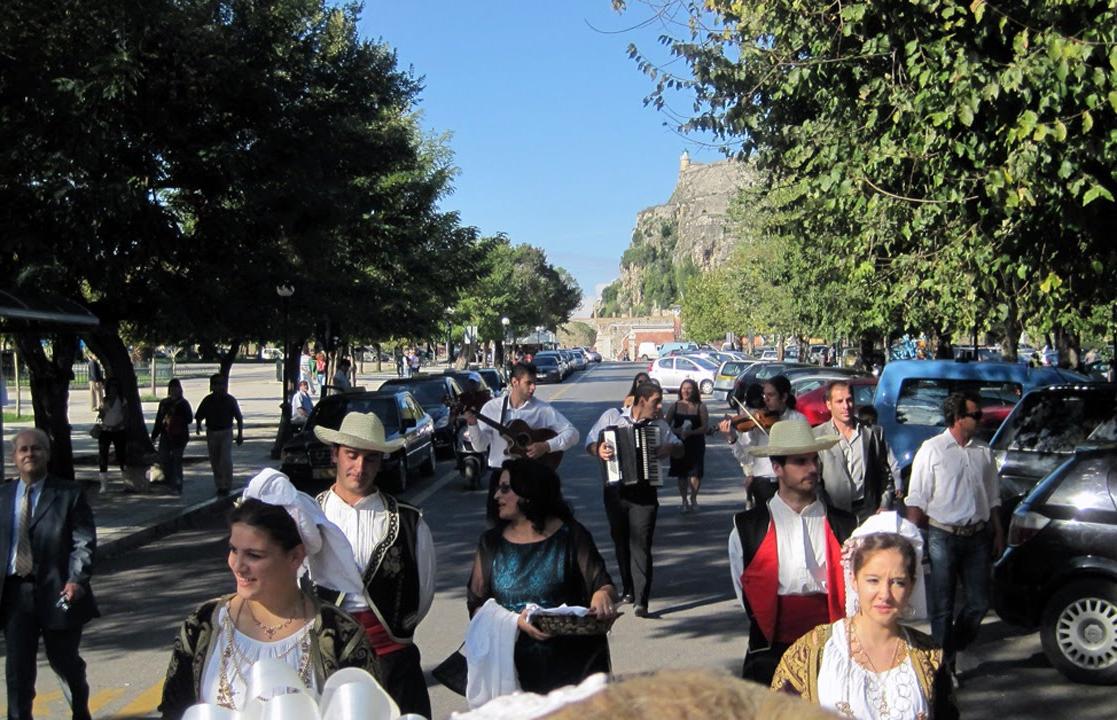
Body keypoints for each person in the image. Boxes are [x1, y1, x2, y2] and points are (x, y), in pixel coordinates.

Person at [158, 471, 381, 717]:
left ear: (295, 556)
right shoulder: (202, 625)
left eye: (254, 555)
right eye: (234, 550)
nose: (238, 565)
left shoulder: (339, 634)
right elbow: (174, 711)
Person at [310, 412, 436, 717]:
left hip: (392, 660)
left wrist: (393, 628)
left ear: (381, 462)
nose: (360, 467)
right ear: (335, 454)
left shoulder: (408, 520)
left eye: (371, 459)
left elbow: (424, 592)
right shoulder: (309, 516)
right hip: (327, 661)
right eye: (352, 456)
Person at [771, 515, 958, 719]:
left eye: (898, 582)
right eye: (873, 580)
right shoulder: (812, 652)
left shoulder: (928, 656)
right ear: (854, 579)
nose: (885, 594)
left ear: (912, 585)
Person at [465, 457, 617, 697]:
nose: (496, 496)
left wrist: (602, 596)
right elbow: (476, 606)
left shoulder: (571, 535)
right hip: (512, 671)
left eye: (505, 488)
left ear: (529, 491)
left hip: (572, 669)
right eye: (497, 488)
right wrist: (514, 622)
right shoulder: (490, 543)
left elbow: (602, 584)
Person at [728, 419, 856, 685]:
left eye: (814, 460)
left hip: (833, 648)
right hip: (771, 650)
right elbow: (745, 595)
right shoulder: (748, 528)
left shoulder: (845, 524)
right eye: (800, 461)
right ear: (777, 468)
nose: (812, 468)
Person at [905, 390, 1004, 684]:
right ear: (958, 419)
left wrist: (998, 531)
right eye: (975, 415)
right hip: (942, 536)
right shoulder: (932, 450)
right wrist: (912, 543)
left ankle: (953, 643)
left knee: (979, 602)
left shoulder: (983, 452)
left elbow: (993, 496)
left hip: (977, 537)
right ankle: (944, 664)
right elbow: (917, 498)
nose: (980, 419)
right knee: (942, 605)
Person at [1, 429, 98, 720]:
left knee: (64, 662)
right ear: (14, 458)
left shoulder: (68, 494)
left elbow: (84, 542)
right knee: (17, 670)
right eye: (23, 450)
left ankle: (80, 711)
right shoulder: (3, 496)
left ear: (47, 454)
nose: (30, 454)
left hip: (59, 592)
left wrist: (76, 579)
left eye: (37, 449)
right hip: (15, 596)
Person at [586, 382, 682, 618]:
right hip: (616, 491)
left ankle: (642, 600)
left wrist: (668, 448)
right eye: (656, 401)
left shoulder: (658, 425)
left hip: (645, 493)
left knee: (641, 543)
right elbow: (589, 442)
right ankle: (628, 587)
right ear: (641, 401)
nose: (660, 406)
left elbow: (680, 449)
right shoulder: (612, 417)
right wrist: (599, 449)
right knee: (620, 540)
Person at [464, 362, 580, 524]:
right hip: (500, 477)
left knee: (535, 525)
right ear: (514, 382)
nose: (533, 388)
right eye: (529, 383)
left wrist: (546, 446)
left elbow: (573, 434)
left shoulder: (541, 410)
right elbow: (480, 446)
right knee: (498, 527)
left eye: (535, 383)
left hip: (530, 478)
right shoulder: (492, 408)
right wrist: (472, 424)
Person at [813, 381, 898, 521]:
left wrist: (884, 505)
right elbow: (814, 480)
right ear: (829, 404)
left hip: (867, 511)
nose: (846, 406)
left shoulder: (872, 433)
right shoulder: (817, 436)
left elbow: (885, 474)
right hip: (833, 513)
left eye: (849, 400)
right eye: (839, 401)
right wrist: (822, 510)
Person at [721, 375, 807, 508]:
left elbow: (805, 454)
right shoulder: (756, 421)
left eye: (771, 395)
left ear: (783, 397)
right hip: (764, 482)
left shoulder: (798, 420)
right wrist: (731, 439)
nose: (765, 400)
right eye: (764, 395)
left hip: (792, 483)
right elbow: (746, 458)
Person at [194, 374, 244, 497]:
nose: (219, 387)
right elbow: (199, 415)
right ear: (211, 386)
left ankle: (227, 484)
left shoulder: (230, 400)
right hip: (211, 432)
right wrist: (198, 425)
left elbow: (239, 417)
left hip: (226, 431)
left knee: (225, 459)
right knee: (215, 460)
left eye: (222, 384)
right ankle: (219, 484)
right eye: (216, 384)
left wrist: (240, 435)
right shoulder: (208, 400)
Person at [666, 379, 708, 513]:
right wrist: (677, 431)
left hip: (695, 442)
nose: (686, 391)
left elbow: (705, 427)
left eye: (689, 388)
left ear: (695, 390)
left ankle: (693, 497)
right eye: (684, 388)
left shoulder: (701, 406)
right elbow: (666, 425)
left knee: (695, 473)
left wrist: (691, 432)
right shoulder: (675, 406)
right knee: (681, 473)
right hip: (678, 443)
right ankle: (684, 500)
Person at [151, 379, 194, 495]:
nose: (174, 390)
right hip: (166, 434)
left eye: (176, 388)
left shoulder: (183, 403)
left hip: (180, 435)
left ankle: (178, 483)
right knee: (164, 458)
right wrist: (154, 435)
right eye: (172, 388)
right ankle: (170, 482)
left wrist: (177, 415)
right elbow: (159, 420)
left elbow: (189, 419)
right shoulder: (164, 403)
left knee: (177, 460)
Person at [96, 378, 128, 494]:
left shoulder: (122, 400)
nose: (112, 390)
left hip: (119, 430)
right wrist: (101, 412)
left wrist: (118, 425)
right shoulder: (105, 400)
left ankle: (126, 482)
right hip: (106, 430)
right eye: (110, 388)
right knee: (103, 456)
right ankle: (103, 485)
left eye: (114, 388)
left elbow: (125, 416)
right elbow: (102, 416)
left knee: (121, 456)